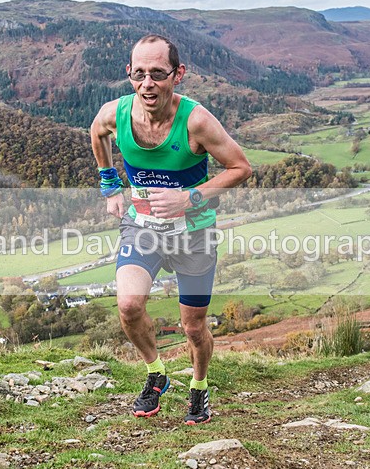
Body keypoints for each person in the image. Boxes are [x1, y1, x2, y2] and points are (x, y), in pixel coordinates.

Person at [90, 34, 252, 425]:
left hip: (194, 233)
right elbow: (97, 134)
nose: (147, 84)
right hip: (142, 227)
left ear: (177, 75)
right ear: (129, 74)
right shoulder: (115, 113)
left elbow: (242, 168)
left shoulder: (196, 121)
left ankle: (198, 387)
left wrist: (190, 198)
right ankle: (156, 372)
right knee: (129, 307)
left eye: (157, 74)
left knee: (192, 326)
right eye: (139, 74)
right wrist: (110, 186)